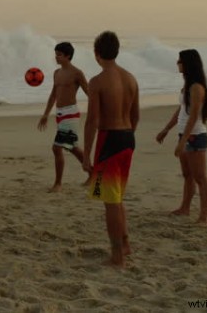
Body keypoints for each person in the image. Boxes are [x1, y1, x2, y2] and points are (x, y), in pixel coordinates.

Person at [82, 31, 139, 268]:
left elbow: (92, 121)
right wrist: (127, 136)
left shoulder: (97, 81)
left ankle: (116, 256)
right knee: (117, 197)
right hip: (127, 138)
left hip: (109, 140)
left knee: (110, 202)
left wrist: (86, 154)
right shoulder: (130, 78)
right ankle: (125, 244)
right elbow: (136, 115)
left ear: (96, 54)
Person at [155, 49, 207, 225]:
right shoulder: (187, 85)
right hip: (185, 134)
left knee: (200, 177)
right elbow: (181, 111)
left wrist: (183, 141)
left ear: (188, 63)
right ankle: (185, 208)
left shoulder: (196, 87)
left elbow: (194, 115)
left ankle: (204, 216)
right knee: (187, 175)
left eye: (180, 60)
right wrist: (166, 129)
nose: (177, 63)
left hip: (195, 136)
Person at [37, 42, 91, 192]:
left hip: (71, 113)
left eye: (59, 55)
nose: (56, 57)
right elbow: (53, 95)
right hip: (60, 113)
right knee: (72, 147)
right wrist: (45, 114)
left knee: (57, 148)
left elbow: (89, 93)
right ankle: (93, 173)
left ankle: (58, 184)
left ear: (68, 56)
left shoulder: (77, 73)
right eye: (56, 54)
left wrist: (97, 112)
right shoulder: (57, 73)